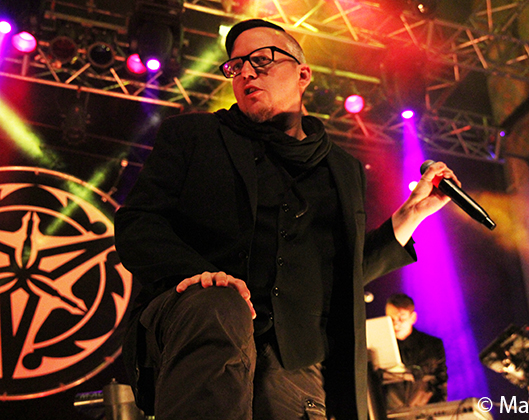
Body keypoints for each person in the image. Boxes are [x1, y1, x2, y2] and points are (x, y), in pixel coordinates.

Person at [114, 18, 459, 420]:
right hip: (197, 322)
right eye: (235, 66)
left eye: (261, 60)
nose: (246, 72)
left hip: (294, 358)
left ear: (303, 74)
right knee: (220, 306)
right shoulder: (194, 135)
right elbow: (138, 224)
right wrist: (200, 275)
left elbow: (339, 279)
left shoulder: (341, 169)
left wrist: (411, 214)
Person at [382, 293, 448, 410]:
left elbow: (441, 381)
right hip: (388, 413)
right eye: (390, 319)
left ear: (413, 318)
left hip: (423, 412)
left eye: (401, 318)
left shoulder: (432, 345)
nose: (396, 324)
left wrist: (436, 411)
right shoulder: (380, 346)